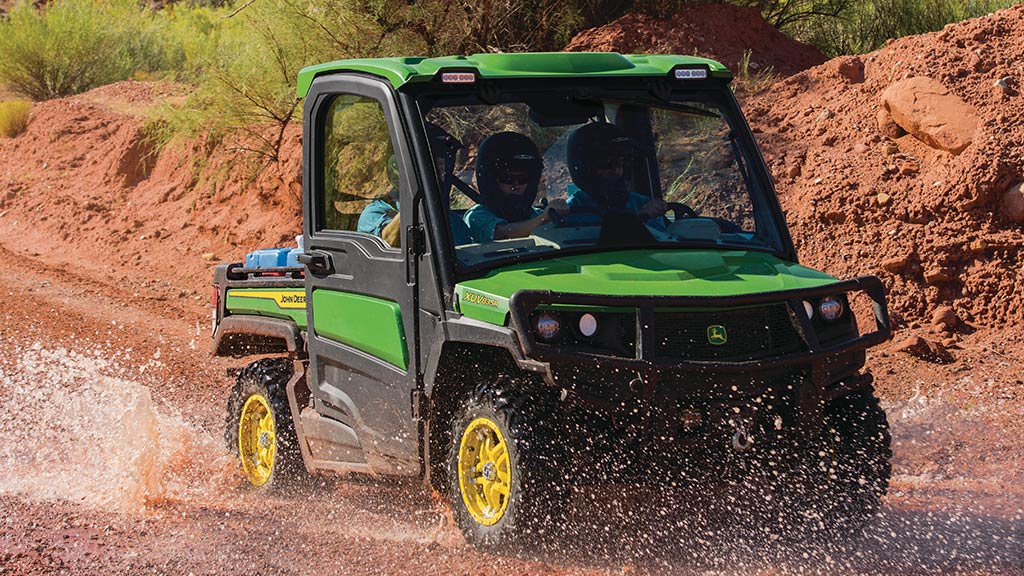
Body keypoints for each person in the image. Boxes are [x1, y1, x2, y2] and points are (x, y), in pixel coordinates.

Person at [356, 124, 472, 247]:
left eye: (444, 168)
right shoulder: (374, 213)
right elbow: (389, 242)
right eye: (435, 168)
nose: (442, 176)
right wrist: (417, 191)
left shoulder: (452, 221)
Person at [463, 132, 568, 243]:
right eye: (507, 179)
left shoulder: (535, 214)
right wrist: (544, 218)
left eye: (523, 180)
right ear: (491, 181)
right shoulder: (477, 216)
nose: (516, 186)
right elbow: (505, 234)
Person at [563, 121, 667, 230]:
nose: (618, 171)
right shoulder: (572, 209)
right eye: (606, 164)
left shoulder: (642, 204)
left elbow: (665, 241)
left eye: (622, 162)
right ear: (585, 168)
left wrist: (654, 212)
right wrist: (546, 216)